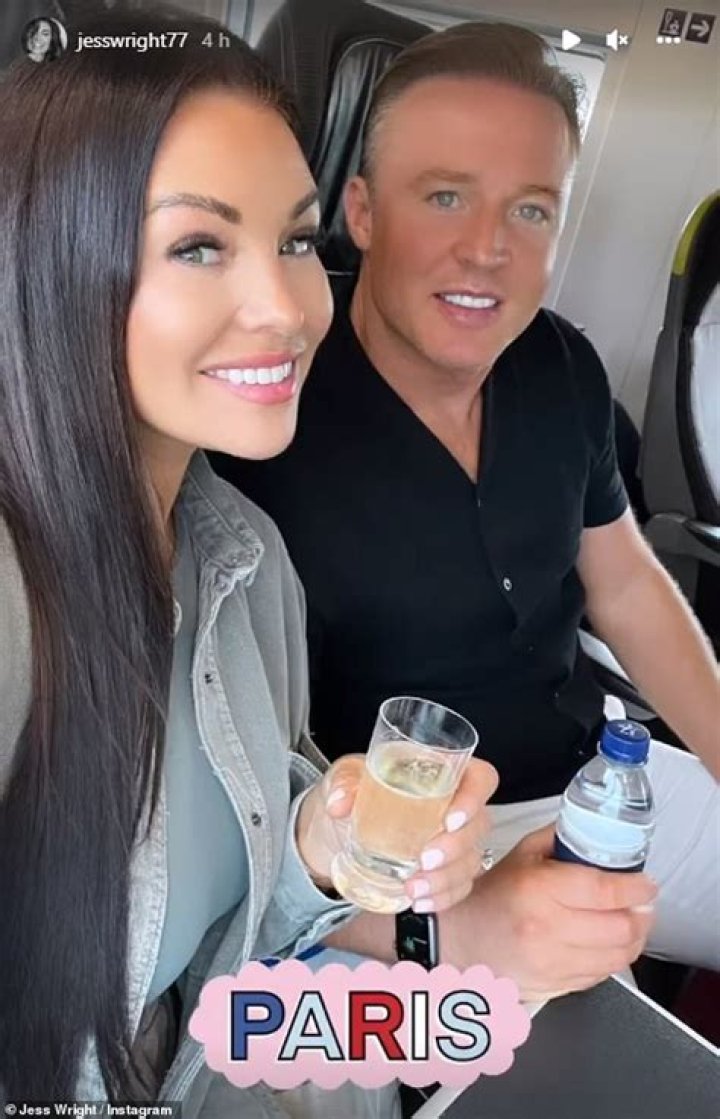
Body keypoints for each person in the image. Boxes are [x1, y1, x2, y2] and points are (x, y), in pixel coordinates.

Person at [0, 10, 497, 1111]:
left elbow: (224, 910)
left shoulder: (248, 564)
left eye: (297, 242)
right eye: (198, 246)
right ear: (49, 261)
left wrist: (320, 841)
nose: (286, 307)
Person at [212, 22, 720, 1003]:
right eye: (445, 196)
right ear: (362, 211)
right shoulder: (262, 406)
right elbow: (244, 788)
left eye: (529, 210)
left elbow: (625, 585)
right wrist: (431, 929)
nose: (487, 249)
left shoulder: (564, 366)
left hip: (598, 781)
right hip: (390, 858)